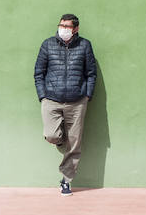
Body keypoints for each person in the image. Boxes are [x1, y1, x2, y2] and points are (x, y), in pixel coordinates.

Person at [33, 13, 98, 195]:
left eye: (67, 26)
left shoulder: (85, 45)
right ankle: (61, 139)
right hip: (51, 100)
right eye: (61, 25)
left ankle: (66, 180)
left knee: (75, 143)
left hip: (77, 102)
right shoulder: (48, 44)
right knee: (52, 135)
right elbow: (38, 72)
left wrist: (87, 96)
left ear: (75, 29)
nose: (63, 29)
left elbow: (91, 73)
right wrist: (43, 96)